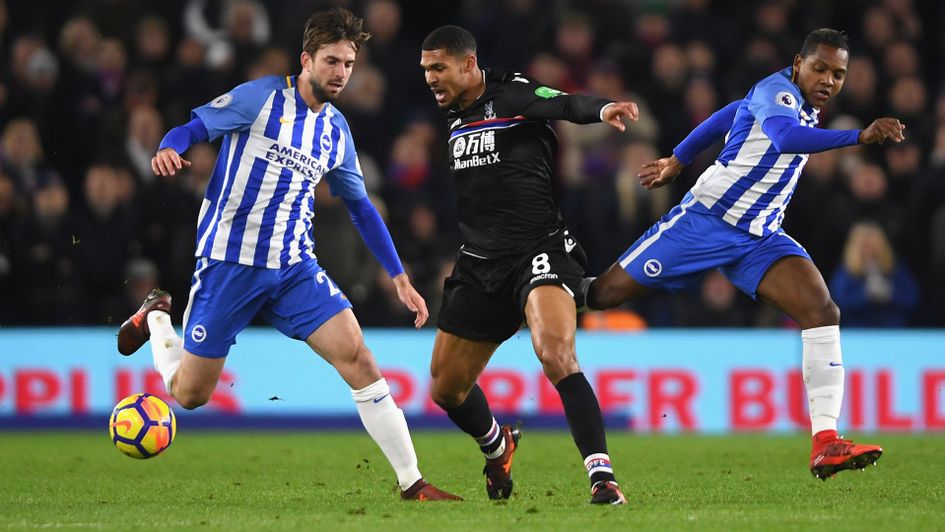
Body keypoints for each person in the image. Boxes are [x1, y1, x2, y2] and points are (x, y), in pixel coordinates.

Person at [117, 8, 459, 502]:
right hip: (229, 263)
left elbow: (361, 208)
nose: (341, 73)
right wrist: (168, 147)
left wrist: (399, 275)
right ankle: (156, 319)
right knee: (190, 395)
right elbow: (193, 128)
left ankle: (413, 483)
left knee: (360, 359)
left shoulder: (336, 131)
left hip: (294, 266)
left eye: (348, 63)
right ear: (306, 59)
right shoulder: (258, 99)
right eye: (332, 61)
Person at [585, 28, 905, 480]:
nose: (830, 80)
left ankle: (826, 443)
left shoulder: (792, 102)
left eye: (839, 73)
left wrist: (678, 157)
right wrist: (859, 137)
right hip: (706, 222)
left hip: (759, 236)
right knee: (602, 295)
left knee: (822, 310)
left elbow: (728, 114)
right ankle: (538, 288)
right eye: (821, 68)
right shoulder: (779, 93)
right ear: (798, 63)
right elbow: (784, 139)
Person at [419, 25, 639, 505]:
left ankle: (603, 480)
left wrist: (602, 108)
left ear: (468, 64)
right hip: (479, 264)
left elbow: (562, 103)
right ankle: (498, 447)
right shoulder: (456, 118)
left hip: (538, 251)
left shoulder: (512, 91)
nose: (431, 78)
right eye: (426, 70)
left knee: (555, 353)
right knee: (446, 389)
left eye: (438, 68)